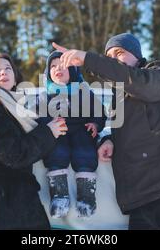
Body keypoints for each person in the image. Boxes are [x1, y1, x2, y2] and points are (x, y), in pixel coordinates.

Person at [52, 33, 160, 230]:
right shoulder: (118, 96)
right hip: (140, 201)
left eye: (119, 53)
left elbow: (138, 82)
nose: (114, 60)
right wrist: (110, 140)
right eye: (109, 57)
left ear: (136, 55)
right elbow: (133, 129)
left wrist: (87, 59)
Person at [0, 52, 67, 229]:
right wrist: (48, 133)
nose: (3, 72)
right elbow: (12, 153)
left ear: (15, 78)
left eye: (8, 69)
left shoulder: (14, 107)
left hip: (17, 202)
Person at [37, 51, 107, 219]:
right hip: (57, 131)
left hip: (81, 130)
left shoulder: (84, 92)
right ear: (48, 73)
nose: (57, 69)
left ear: (74, 71)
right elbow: (39, 117)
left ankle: (86, 197)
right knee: (56, 152)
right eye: (53, 66)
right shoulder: (45, 95)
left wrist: (96, 124)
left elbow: (99, 112)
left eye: (62, 65)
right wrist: (48, 124)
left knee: (85, 153)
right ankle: (59, 196)